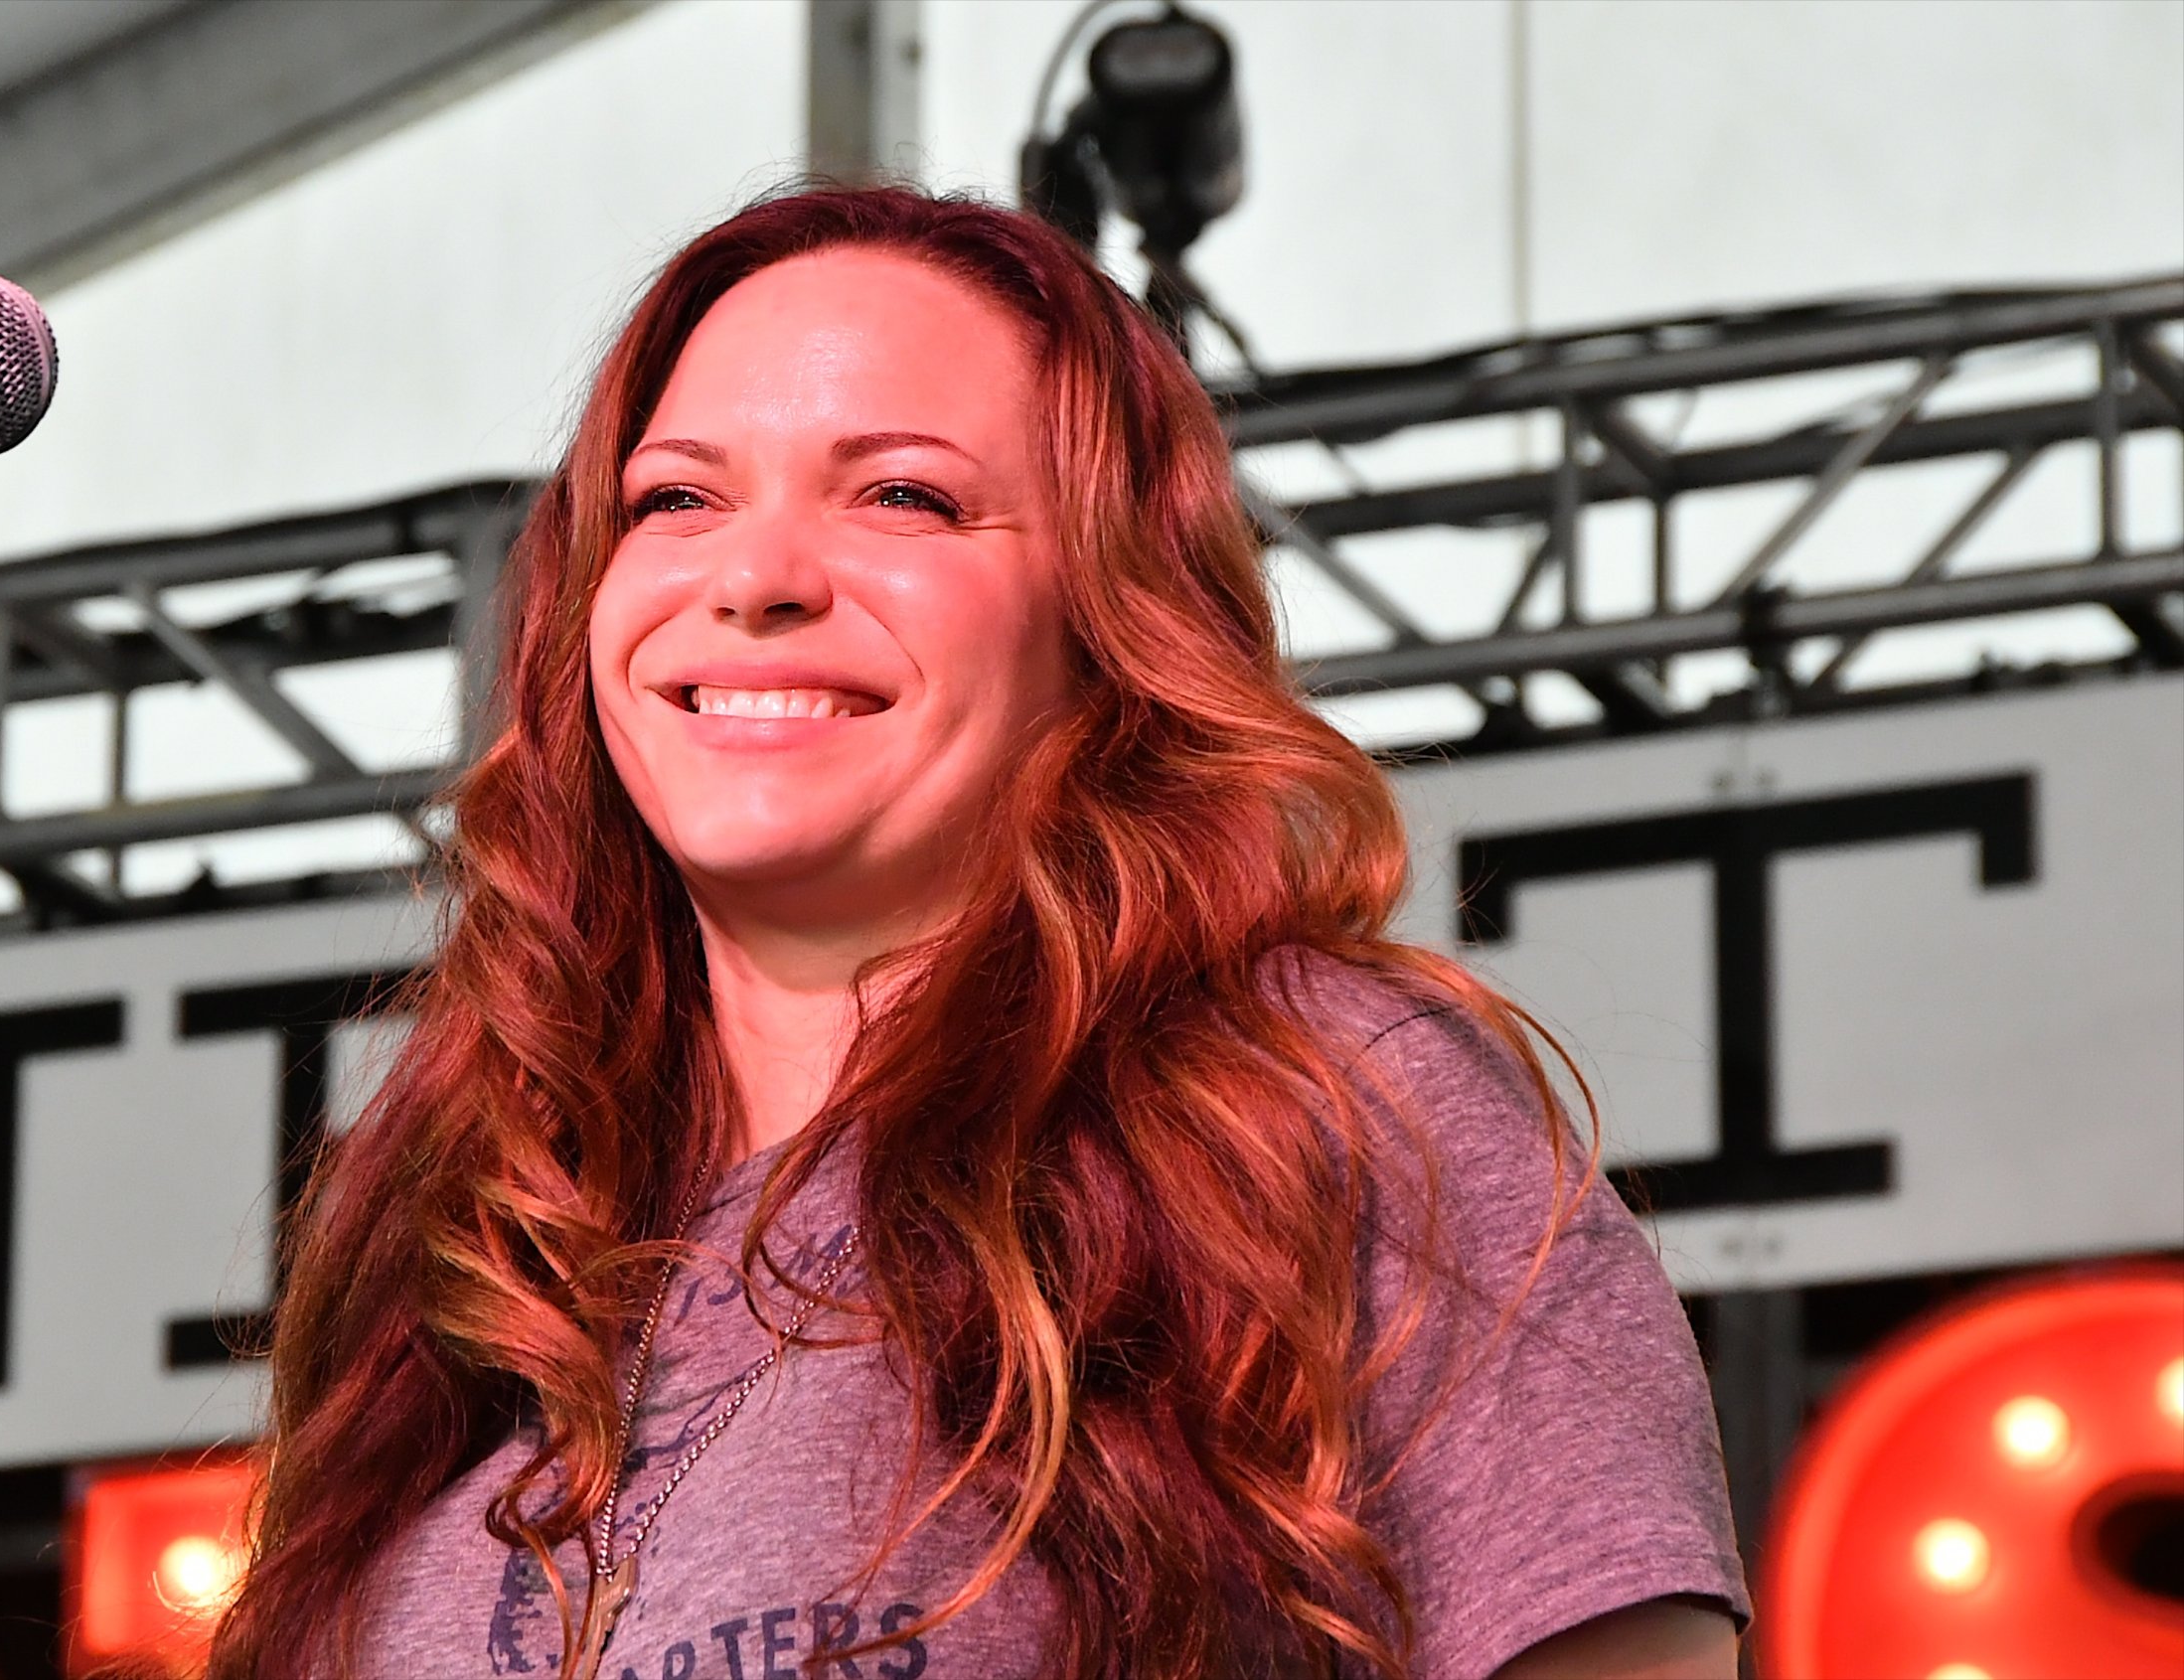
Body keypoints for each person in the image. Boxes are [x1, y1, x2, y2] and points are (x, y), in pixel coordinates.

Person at [206, 185, 1748, 1680]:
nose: (754, 578)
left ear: (1106, 619)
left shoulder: (1325, 1109)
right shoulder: (469, 1232)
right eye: (676, 498)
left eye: (904, 497)